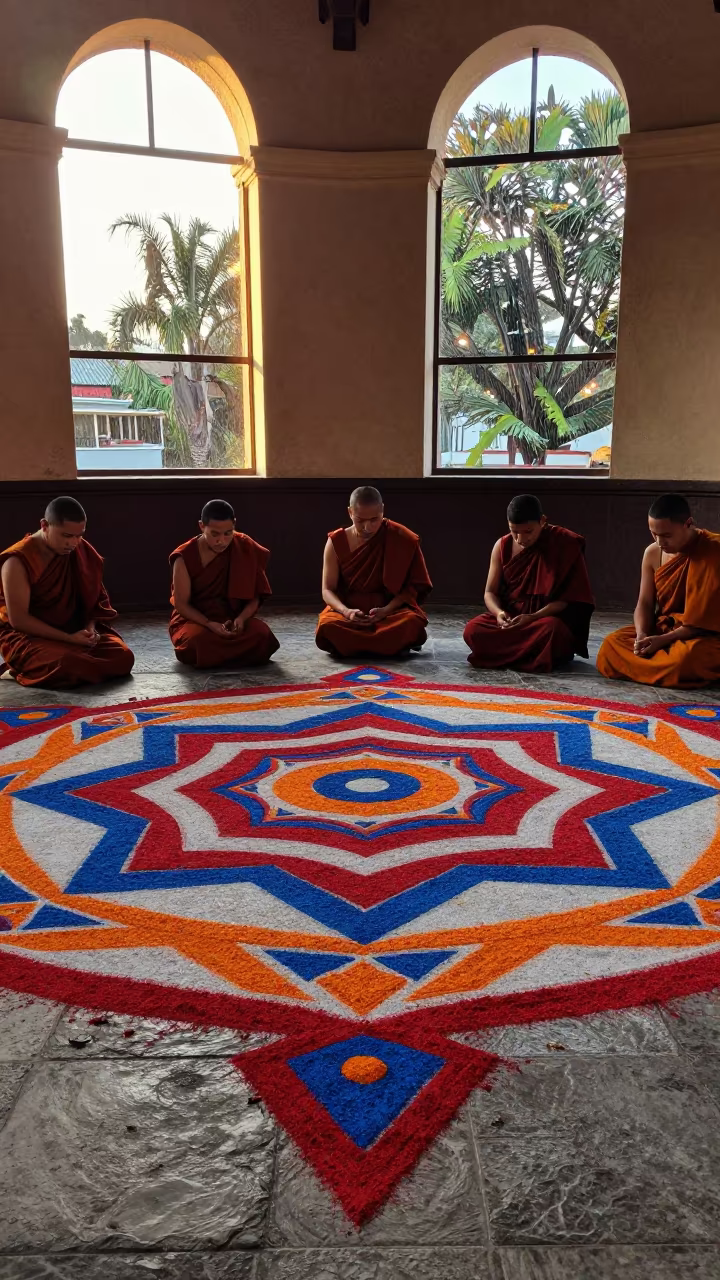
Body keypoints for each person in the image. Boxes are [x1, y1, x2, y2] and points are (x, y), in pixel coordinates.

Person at [0, 495, 134, 688]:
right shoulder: (18, 560)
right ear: (44, 525)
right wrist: (68, 639)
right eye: (66, 536)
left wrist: (90, 629)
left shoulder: (81, 550)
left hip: (74, 629)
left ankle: (50, 665)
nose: (74, 543)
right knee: (67, 663)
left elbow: (93, 600)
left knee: (123, 657)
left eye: (80, 535)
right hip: (30, 636)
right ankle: (19, 668)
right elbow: (19, 620)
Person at [597, 492, 720, 687]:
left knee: (686, 660)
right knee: (610, 645)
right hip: (665, 629)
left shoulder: (714, 551)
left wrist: (664, 640)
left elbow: (705, 621)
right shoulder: (653, 552)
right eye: (654, 533)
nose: (660, 542)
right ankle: (659, 667)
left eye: (667, 535)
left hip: (703, 635)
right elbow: (645, 603)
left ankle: (654, 667)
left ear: (688, 523)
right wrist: (642, 635)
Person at [463, 494, 594, 672]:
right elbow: (490, 593)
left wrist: (532, 617)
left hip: (543, 619)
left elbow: (567, 599)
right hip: (513, 618)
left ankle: (506, 656)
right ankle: (532, 656)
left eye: (528, 531)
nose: (520, 539)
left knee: (553, 631)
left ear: (543, 521)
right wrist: (499, 613)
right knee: (473, 630)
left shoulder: (565, 543)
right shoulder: (502, 546)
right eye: (514, 531)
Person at [316, 485, 432, 657]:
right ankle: (391, 644)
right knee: (328, 626)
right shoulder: (336, 542)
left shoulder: (401, 537)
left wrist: (386, 610)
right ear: (350, 512)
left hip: (390, 610)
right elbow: (328, 590)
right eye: (360, 520)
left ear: (383, 510)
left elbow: (411, 589)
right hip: (350, 609)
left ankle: (357, 645)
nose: (367, 527)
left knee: (411, 622)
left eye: (374, 520)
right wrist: (346, 611)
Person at [169, 499, 279, 667]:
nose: (222, 540)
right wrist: (209, 624)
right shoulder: (185, 556)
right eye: (214, 534)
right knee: (197, 642)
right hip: (197, 621)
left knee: (262, 635)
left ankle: (218, 656)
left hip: (233, 619)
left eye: (228, 533)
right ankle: (234, 654)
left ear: (234, 525)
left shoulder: (244, 546)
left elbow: (255, 595)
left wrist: (241, 619)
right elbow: (181, 605)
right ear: (201, 526)